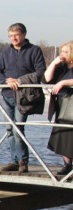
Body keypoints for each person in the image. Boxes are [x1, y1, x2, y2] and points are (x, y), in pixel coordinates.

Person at [0, 23, 47, 174]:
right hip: (7, 95)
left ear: (23, 34)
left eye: (16, 35)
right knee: (9, 129)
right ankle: (14, 161)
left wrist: (21, 81)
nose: (13, 38)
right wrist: (6, 80)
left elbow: (41, 71)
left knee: (18, 129)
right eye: (10, 35)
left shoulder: (34, 50)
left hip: (25, 97)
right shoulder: (6, 52)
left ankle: (23, 161)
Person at [44, 41, 73, 177]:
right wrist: (54, 63)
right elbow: (46, 79)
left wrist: (63, 82)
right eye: (62, 51)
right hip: (62, 105)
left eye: (66, 52)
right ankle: (67, 166)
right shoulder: (61, 67)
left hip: (72, 105)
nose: (63, 54)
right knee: (61, 134)